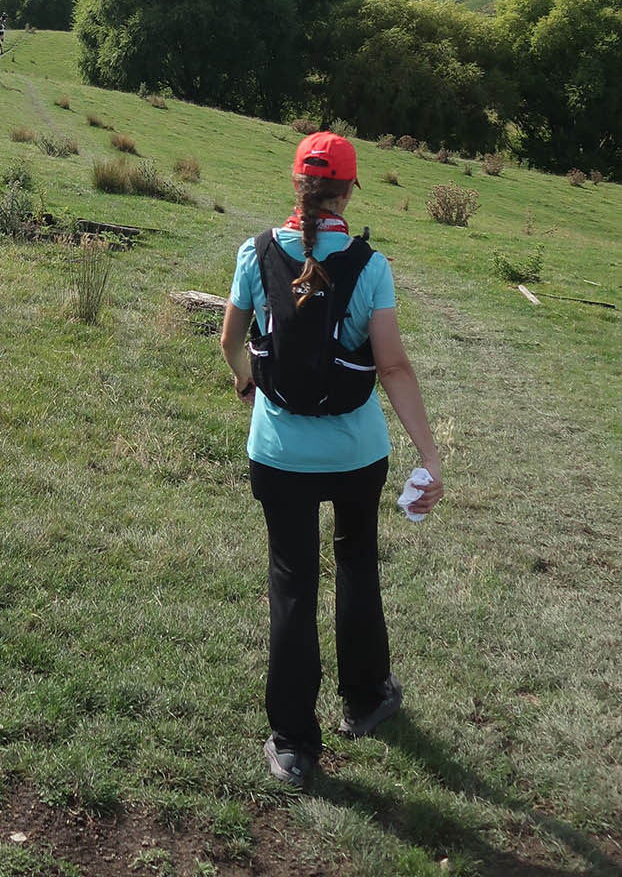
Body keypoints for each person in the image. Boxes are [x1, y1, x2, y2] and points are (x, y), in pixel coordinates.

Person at [220, 131, 443, 789]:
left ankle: (294, 743)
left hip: (278, 454)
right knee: (357, 563)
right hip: (356, 455)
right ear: (348, 192)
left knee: (292, 581)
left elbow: (231, 340)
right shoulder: (371, 267)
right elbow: (393, 366)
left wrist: (247, 383)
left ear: (297, 184)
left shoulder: (255, 252)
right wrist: (430, 455)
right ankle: (367, 698)